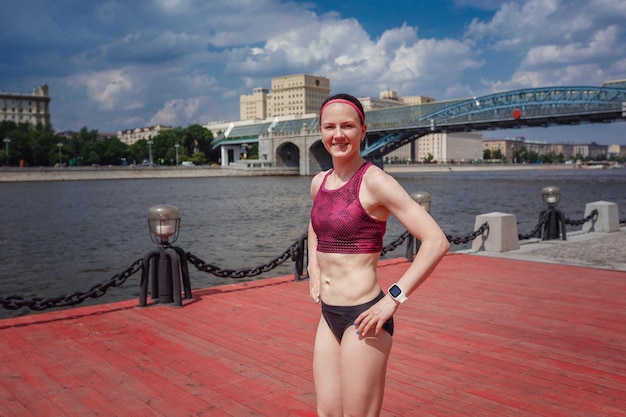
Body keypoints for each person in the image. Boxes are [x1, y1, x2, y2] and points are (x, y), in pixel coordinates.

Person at [307, 93, 450, 417]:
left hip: (365, 317)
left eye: (347, 126)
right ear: (321, 131)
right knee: (327, 411)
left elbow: (436, 241)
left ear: (362, 131)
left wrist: (393, 299)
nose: (338, 134)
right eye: (330, 127)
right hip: (328, 315)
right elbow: (315, 223)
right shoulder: (320, 182)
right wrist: (314, 266)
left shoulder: (375, 182)